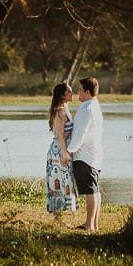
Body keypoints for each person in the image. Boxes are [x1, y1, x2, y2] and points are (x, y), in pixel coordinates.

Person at [68, 76, 104, 233]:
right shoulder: (94, 106)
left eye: (80, 90)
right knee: (94, 190)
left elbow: (80, 134)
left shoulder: (87, 109)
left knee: (90, 191)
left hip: (85, 156)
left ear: (87, 92)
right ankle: (93, 225)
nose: (78, 92)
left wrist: (69, 151)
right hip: (94, 155)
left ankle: (89, 225)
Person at [45, 81, 78, 215]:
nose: (72, 93)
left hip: (64, 149)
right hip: (58, 151)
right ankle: (56, 217)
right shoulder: (59, 112)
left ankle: (61, 215)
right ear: (62, 95)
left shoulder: (66, 108)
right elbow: (60, 136)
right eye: (69, 91)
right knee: (57, 181)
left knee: (67, 180)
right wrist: (65, 154)